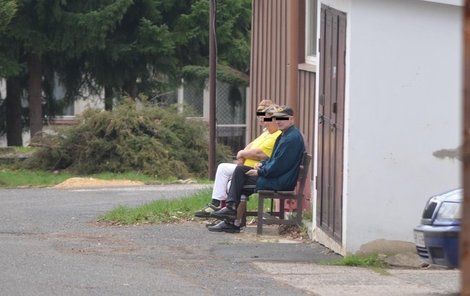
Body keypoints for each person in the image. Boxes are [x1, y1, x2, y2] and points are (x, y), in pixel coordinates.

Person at [209, 105, 305, 233]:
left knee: (239, 182)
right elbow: (274, 161)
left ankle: (232, 219)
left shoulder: (290, 139)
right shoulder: (284, 135)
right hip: (277, 176)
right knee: (240, 171)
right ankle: (231, 212)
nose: (278, 121)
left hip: (281, 181)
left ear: (291, 119)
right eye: (277, 118)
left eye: (283, 118)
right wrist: (262, 164)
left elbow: (279, 166)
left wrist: (260, 171)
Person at [194, 100, 281, 218]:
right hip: (247, 167)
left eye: (265, 117)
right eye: (260, 116)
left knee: (225, 171)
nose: (262, 120)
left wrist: (242, 153)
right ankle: (220, 208)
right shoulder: (267, 133)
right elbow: (250, 146)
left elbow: (259, 154)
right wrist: (242, 156)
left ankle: (224, 210)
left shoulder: (276, 134)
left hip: (254, 170)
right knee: (225, 173)